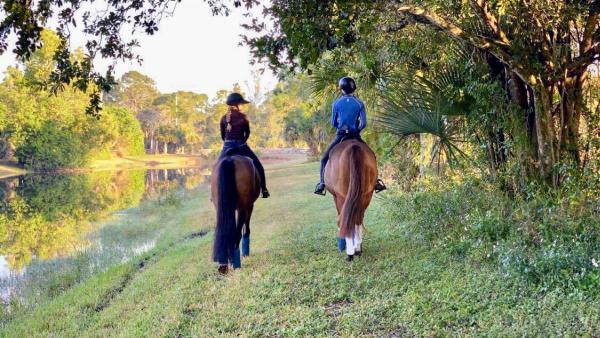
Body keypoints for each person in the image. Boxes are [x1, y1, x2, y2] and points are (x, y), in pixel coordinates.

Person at [314, 77, 386, 196]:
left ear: (341, 89)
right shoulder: (359, 103)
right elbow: (363, 123)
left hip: (341, 135)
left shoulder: (336, 103)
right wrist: (356, 129)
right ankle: (376, 182)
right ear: (353, 88)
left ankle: (321, 184)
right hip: (355, 135)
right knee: (371, 155)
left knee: (324, 159)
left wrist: (342, 127)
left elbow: (333, 123)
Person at [219, 92, 269, 198]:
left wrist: (228, 143)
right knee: (259, 166)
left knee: (217, 167)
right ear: (237, 104)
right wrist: (242, 141)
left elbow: (223, 136)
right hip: (242, 146)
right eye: (241, 104)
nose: (242, 106)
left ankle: (214, 193)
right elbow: (248, 133)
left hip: (227, 146)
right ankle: (264, 190)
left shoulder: (223, 118)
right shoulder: (243, 117)